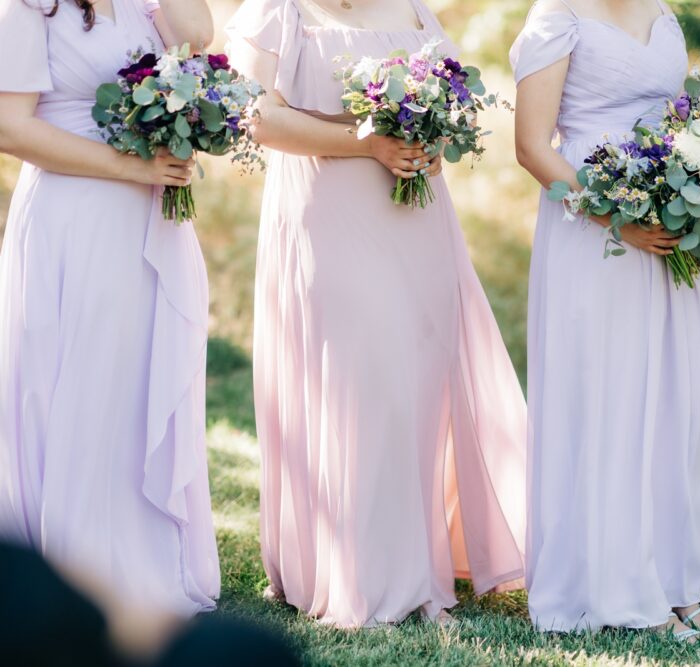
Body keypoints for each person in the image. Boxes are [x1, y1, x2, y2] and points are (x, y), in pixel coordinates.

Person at [226, 0, 528, 628]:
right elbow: (257, 115)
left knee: (415, 384)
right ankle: (370, 575)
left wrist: (431, 144)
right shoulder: (280, 9)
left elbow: (445, 105)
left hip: (416, 216)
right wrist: (370, 142)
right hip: (328, 213)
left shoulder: (414, 8)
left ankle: (420, 565)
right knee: (363, 381)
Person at [510, 0, 700, 640]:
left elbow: (677, 120)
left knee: (683, 398)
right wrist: (616, 218)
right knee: (615, 396)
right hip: (596, 228)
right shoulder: (558, 18)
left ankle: (679, 583)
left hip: (674, 227)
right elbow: (532, 147)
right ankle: (617, 579)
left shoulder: (663, 14)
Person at [0, 0, 220, 618]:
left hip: (149, 210)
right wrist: (131, 166)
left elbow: (199, 38)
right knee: (84, 385)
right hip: (77, 216)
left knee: (137, 379)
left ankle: (148, 557)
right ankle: (77, 570)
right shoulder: (28, 6)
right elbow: (11, 128)